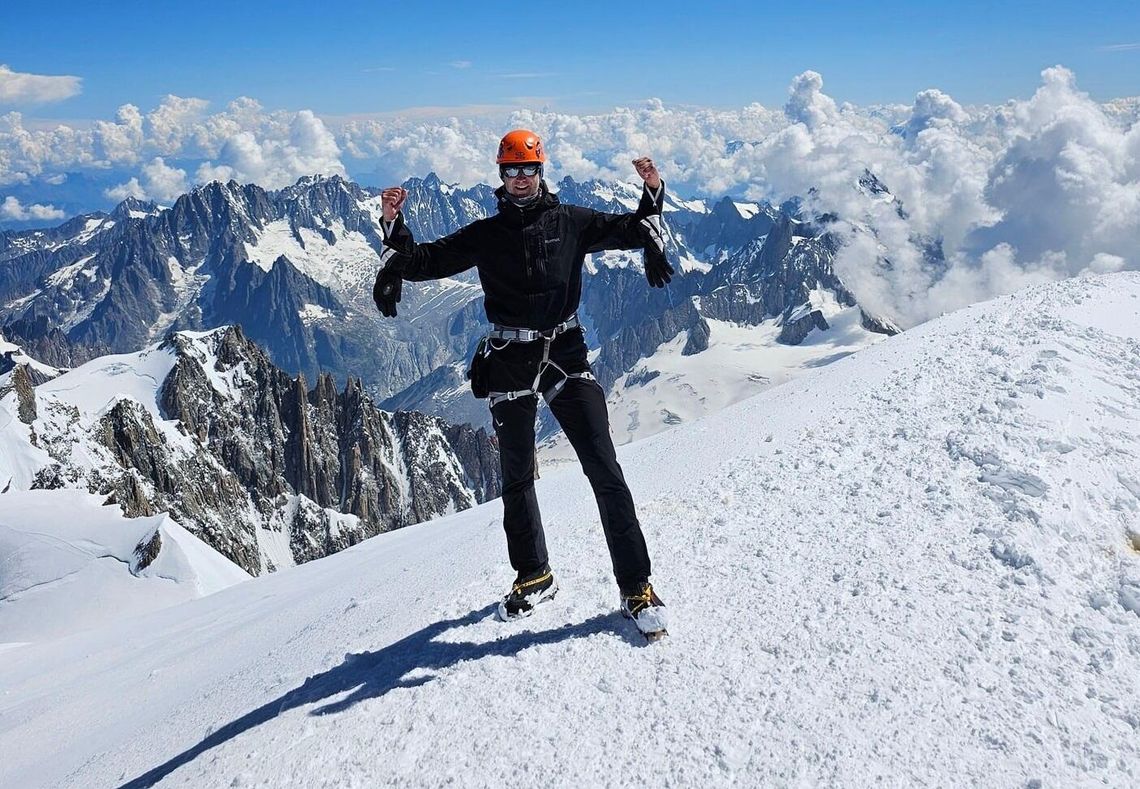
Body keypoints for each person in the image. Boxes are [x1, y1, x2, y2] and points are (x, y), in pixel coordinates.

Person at [372, 129, 673, 637]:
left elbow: (630, 228)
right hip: (511, 359)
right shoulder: (486, 235)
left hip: (563, 355)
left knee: (603, 467)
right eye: (510, 171)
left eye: (527, 169)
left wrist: (652, 190)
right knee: (516, 478)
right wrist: (392, 226)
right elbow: (427, 260)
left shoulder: (573, 222)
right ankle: (533, 574)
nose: (519, 179)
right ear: (500, 175)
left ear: (540, 171)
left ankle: (637, 587)